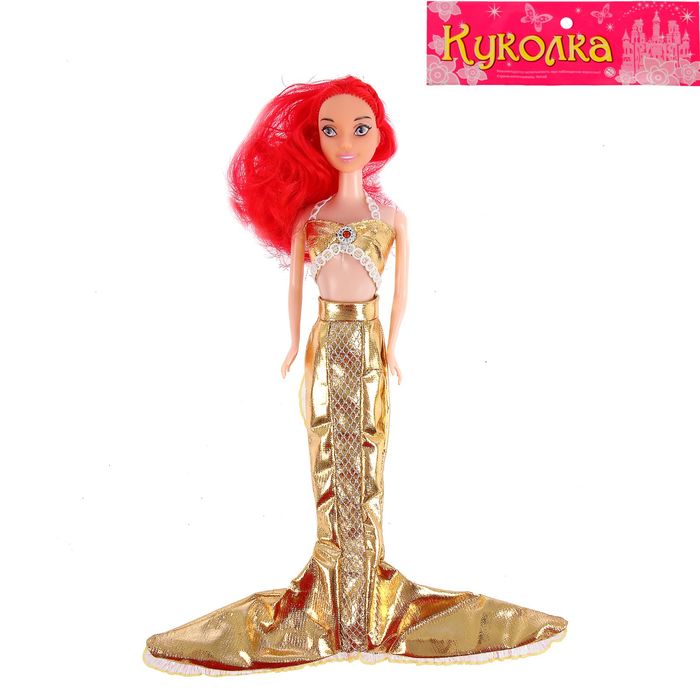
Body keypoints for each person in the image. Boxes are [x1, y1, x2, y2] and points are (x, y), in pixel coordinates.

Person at [143, 75, 568, 676]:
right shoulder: (310, 218)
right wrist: (294, 344)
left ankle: (365, 604)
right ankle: (335, 606)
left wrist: (392, 348)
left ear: (379, 136)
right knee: (326, 455)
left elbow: (401, 292)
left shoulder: (391, 218)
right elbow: (295, 289)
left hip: (368, 346)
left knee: (366, 458)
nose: (346, 142)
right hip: (324, 343)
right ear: (314, 141)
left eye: (360, 129)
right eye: (331, 131)